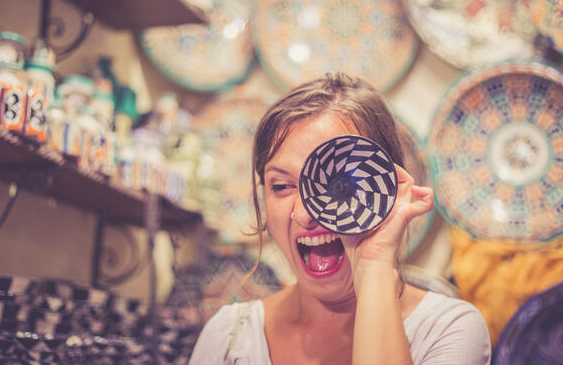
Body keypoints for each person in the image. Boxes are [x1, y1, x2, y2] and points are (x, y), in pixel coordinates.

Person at [189, 73, 491, 364]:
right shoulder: (229, 338)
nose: (304, 214)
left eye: (337, 183)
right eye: (281, 186)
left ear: (386, 188)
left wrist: (373, 265)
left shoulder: (447, 331)